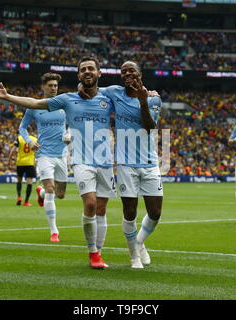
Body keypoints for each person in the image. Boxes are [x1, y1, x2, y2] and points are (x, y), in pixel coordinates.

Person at [0, 57, 116, 269]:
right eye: (83, 69)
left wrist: (148, 95)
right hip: (70, 158)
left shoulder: (108, 96)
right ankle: (89, 250)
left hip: (90, 157)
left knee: (77, 200)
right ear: (78, 75)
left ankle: (99, 251)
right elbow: (35, 103)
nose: (87, 71)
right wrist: (7, 96)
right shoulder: (66, 100)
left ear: (99, 72)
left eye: (90, 68)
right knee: (91, 204)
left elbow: (129, 99)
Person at [91, 61, 163, 269]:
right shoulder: (114, 92)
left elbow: (150, 127)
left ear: (140, 73)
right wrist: (81, 87)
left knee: (155, 213)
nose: (127, 74)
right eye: (123, 71)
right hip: (125, 164)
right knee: (130, 212)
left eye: (131, 70)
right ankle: (134, 256)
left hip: (149, 163)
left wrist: (142, 102)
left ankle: (139, 242)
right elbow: (93, 90)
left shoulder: (154, 99)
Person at [18, 72, 69, 242]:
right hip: (44, 153)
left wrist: (70, 133)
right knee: (50, 189)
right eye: (50, 85)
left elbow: (75, 123)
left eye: (56, 86)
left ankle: (39, 194)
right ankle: (54, 231)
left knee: (60, 194)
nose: (54, 88)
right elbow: (22, 128)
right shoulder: (35, 106)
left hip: (62, 154)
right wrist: (29, 142)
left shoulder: (64, 105)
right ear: (43, 87)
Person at [8, 135, 37, 206]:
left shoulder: (20, 138)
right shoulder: (35, 139)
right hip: (30, 163)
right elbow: (38, 150)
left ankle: (19, 197)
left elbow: (13, 149)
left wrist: (10, 159)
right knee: (29, 182)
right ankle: (26, 201)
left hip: (20, 162)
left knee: (19, 180)